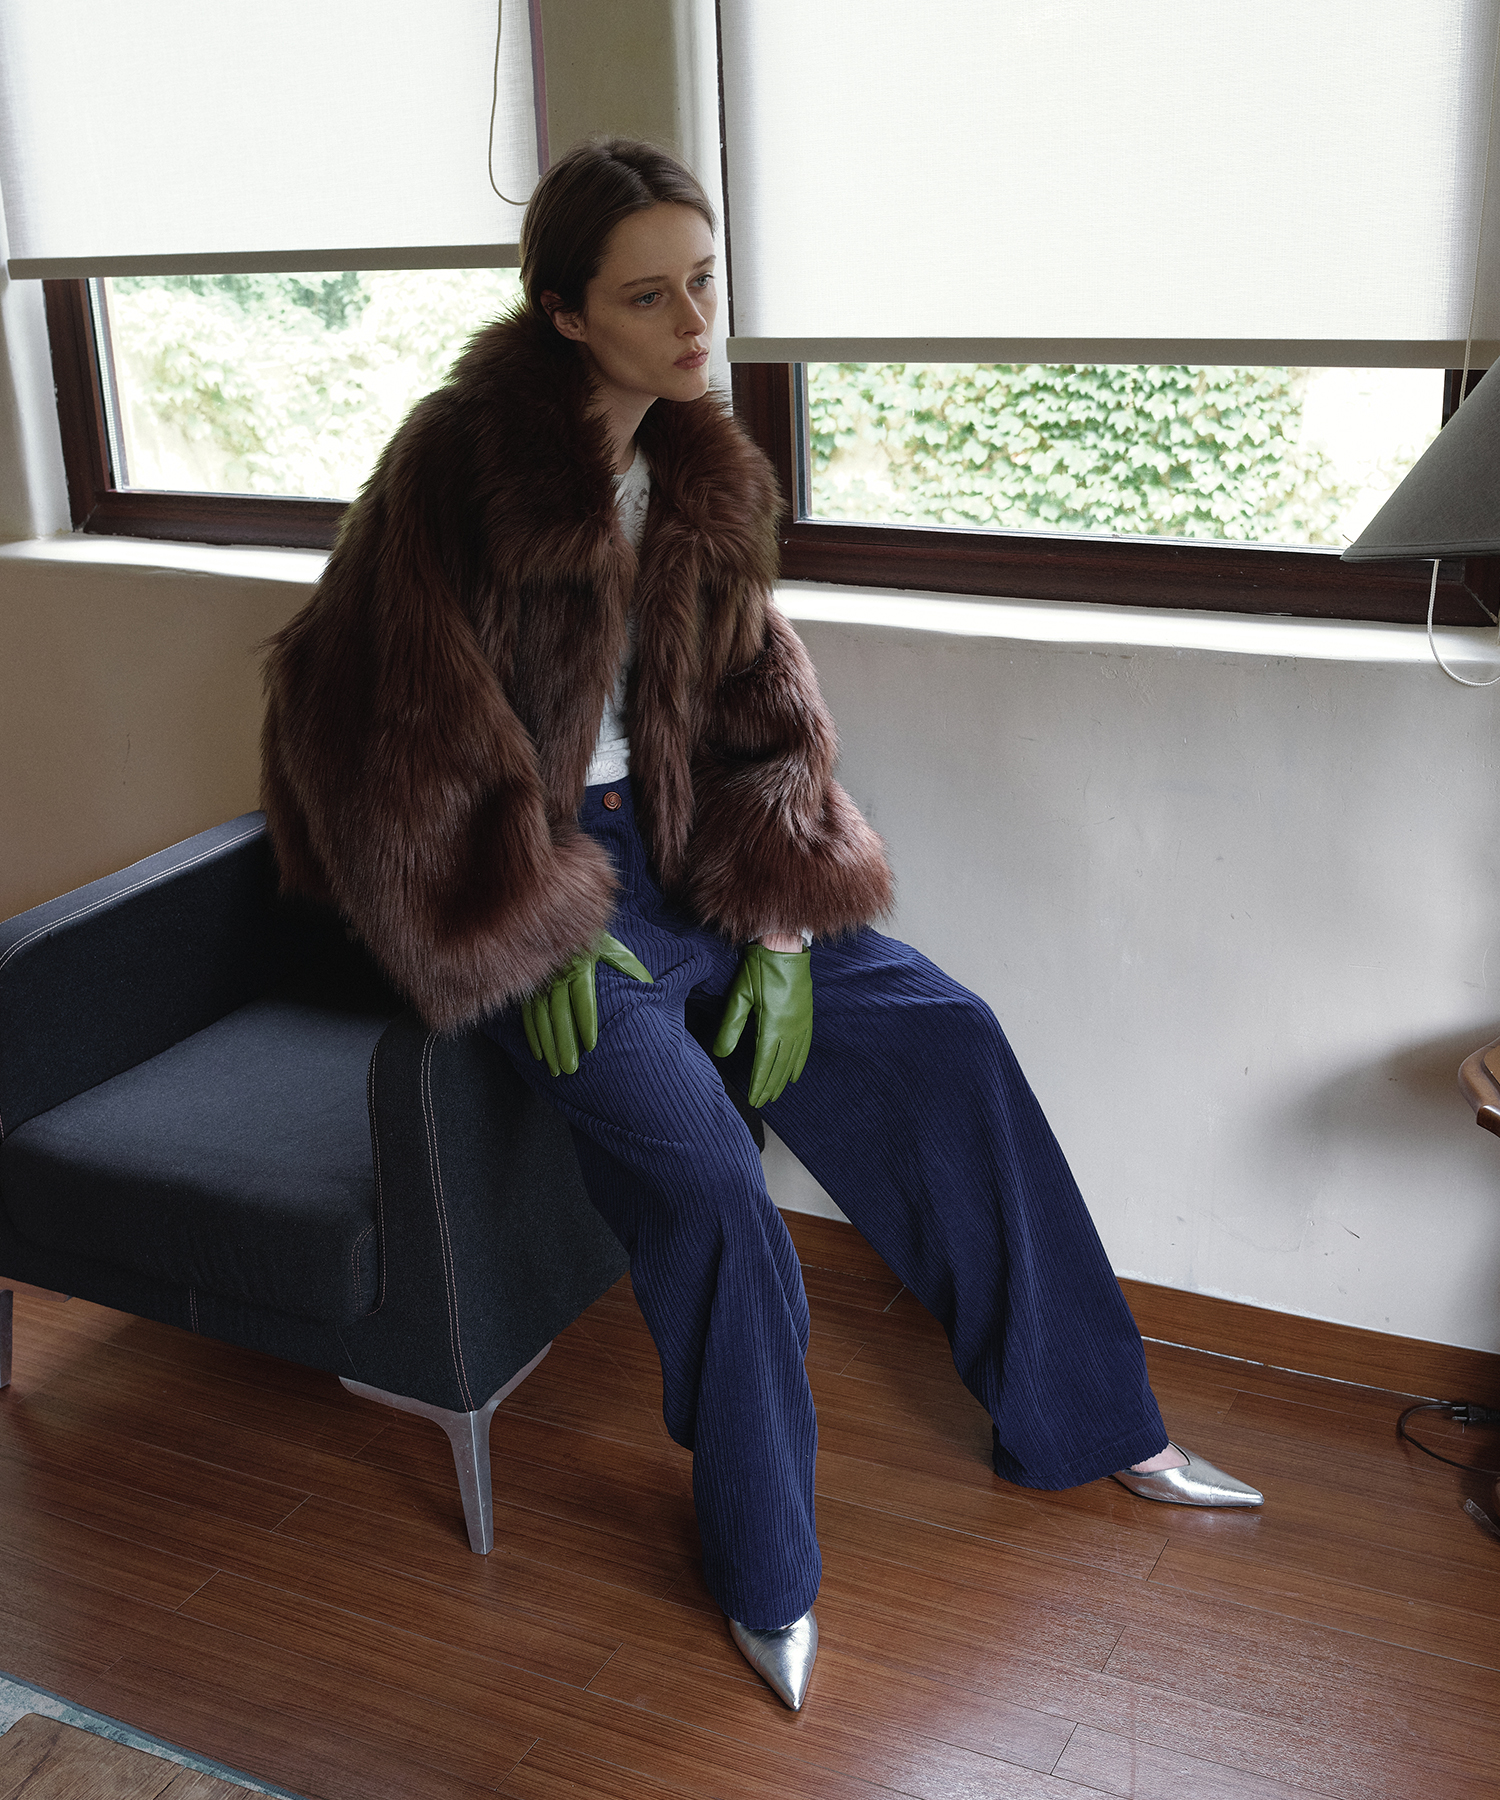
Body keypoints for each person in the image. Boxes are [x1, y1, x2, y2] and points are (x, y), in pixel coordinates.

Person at [260, 138, 1261, 1714]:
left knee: (948, 1038)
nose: (693, 323)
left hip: (696, 853)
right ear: (564, 311)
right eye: (647, 296)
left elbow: (763, 714)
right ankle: (764, 1567)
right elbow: (356, 721)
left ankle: (1095, 1420)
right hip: (539, 891)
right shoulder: (456, 466)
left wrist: (786, 928)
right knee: (719, 1188)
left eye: (704, 283)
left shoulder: (705, 472)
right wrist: (528, 922)